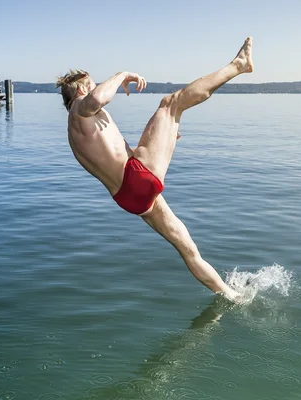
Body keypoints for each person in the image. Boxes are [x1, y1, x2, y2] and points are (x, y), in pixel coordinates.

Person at [56, 37, 254, 302]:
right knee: (171, 103)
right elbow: (96, 99)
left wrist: (166, 138)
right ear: (81, 90)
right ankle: (238, 66)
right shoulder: (81, 109)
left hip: (128, 198)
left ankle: (232, 296)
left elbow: (118, 154)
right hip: (136, 178)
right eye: (93, 83)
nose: (100, 87)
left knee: (189, 251)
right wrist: (122, 74)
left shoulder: (76, 132)